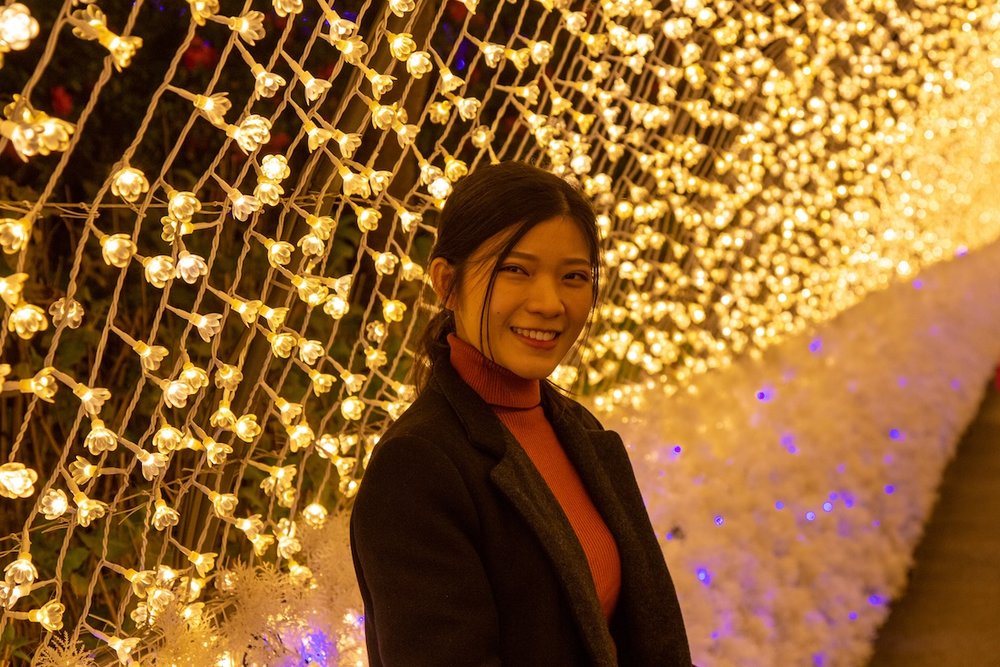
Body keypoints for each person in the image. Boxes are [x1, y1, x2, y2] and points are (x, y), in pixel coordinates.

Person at [350, 161, 692, 666]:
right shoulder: (418, 468)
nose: (550, 303)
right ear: (446, 282)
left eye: (574, 277)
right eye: (516, 270)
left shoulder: (577, 429)